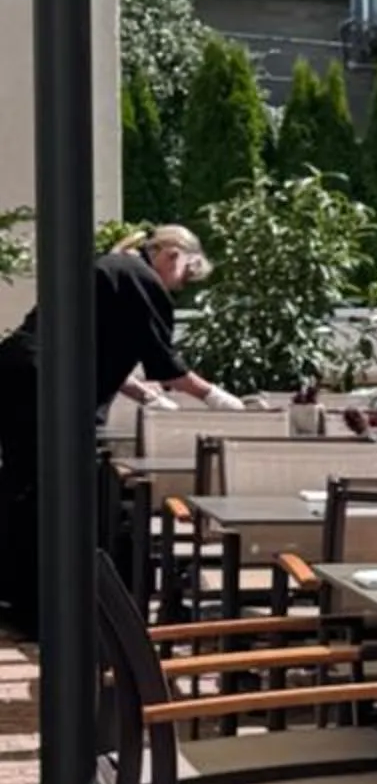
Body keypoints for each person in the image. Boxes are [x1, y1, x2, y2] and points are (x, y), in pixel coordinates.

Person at [0, 224, 242, 635]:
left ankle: (18, 597)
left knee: (24, 486)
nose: (178, 287)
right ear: (172, 255)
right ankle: (42, 611)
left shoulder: (111, 271)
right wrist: (216, 397)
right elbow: (165, 363)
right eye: (184, 276)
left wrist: (144, 396)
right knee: (48, 495)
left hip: (19, 374)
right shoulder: (140, 279)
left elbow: (90, 344)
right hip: (46, 386)